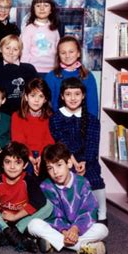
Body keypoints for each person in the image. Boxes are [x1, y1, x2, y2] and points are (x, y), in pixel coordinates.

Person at [28, 142, 108, 254]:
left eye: (59, 165)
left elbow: (89, 211)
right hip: (59, 230)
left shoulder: (83, 182)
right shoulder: (46, 186)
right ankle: (85, 246)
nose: (55, 172)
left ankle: (55, 243)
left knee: (102, 229)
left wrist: (75, 229)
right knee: (33, 225)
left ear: (69, 163)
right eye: (50, 168)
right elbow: (51, 214)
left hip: (79, 229)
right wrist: (65, 231)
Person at [0, 142, 53, 253]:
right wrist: (3, 219)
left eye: (17, 162)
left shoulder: (28, 180)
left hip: (21, 221)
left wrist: (15, 217)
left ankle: (14, 232)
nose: (12, 167)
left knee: (48, 205)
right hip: (3, 220)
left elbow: (39, 200)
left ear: (25, 165)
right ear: (2, 164)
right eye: (8, 162)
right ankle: (7, 231)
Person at [49, 77, 107, 223]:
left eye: (77, 94)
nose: (73, 98)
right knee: (69, 178)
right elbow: (62, 143)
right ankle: (72, 215)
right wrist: (74, 162)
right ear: (62, 96)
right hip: (67, 158)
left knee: (95, 179)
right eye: (68, 94)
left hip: (88, 159)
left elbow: (92, 144)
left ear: (83, 96)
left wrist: (85, 162)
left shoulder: (92, 119)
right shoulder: (56, 118)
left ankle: (102, 215)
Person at [45, 36, 99, 117]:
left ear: (78, 53)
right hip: (57, 123)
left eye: (71, 52)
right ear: (58, 55)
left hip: (83, 124)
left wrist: (91, 126)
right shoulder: (51, 77)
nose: (67, 55)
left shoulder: (87, 76)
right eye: (63, 53)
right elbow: (48, 107)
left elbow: (92, 107)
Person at [11, 78, 54, 176]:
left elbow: (49, 139)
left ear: (45, 100)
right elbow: (19, 141)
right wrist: (30, 157)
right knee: (27, 171)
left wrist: (41, 157)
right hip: (24, 153)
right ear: (26, 97)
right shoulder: (17, 116)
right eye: (33, 95)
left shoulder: (50, 116)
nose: (36, 100)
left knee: (47, 169)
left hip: (44, 153)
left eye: (41, 96)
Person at [0, 34, 38, 115]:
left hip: (24, 113)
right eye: (7, 48)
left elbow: (35, 93)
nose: (11, 52)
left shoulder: (29, 69)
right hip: (1, 114)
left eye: (15, 49)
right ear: (0, 49)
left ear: (20, 52)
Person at [20, 0, 60, 75]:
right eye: (38, 6)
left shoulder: (55, 30)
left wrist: (58, 68)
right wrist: (24, 70)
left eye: (46, 5)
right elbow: (24, 52)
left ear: (51, 10)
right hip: (33, 71)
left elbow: (58, 51)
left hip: (52, 71)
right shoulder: (29, 29)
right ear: (33, 9)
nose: (42, 9)